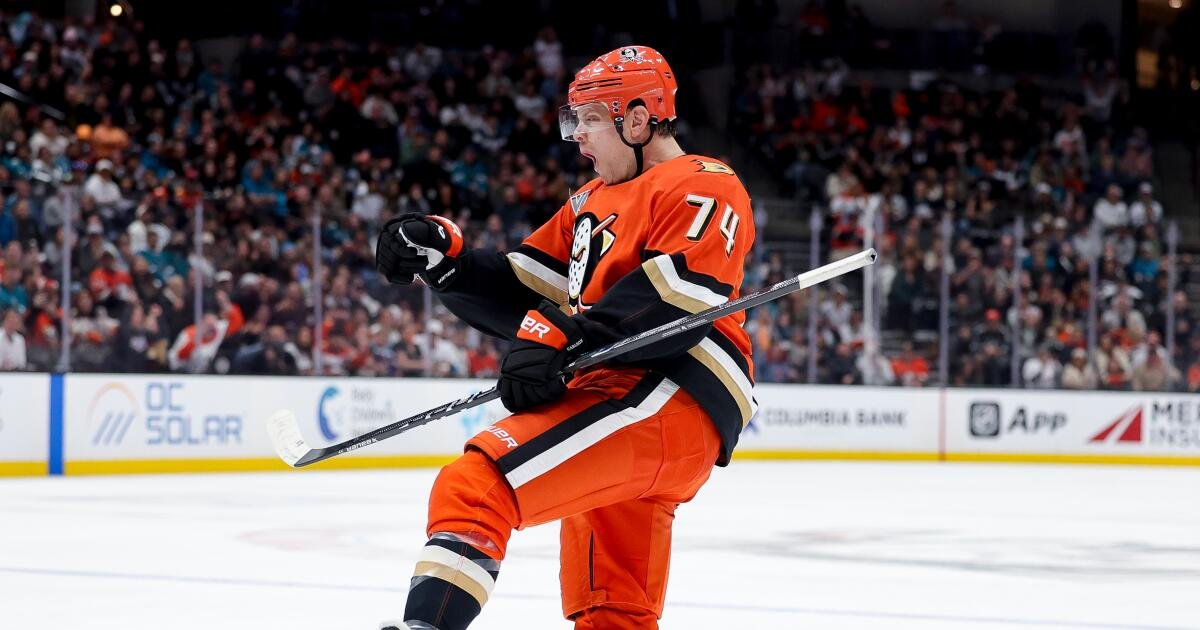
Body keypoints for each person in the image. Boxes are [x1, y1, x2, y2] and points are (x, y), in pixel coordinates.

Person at [374, 46, 756, 630]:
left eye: (590, 119)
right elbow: (525, 291)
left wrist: (566, 341)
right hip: (618, 397)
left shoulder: (701, 183)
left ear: (637, 118)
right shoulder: (588, 203)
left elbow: (677, 298)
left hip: (666, 395)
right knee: (612, 609)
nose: (576, 136)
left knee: (480, 482)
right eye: (573, 119)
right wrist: (446, 262)